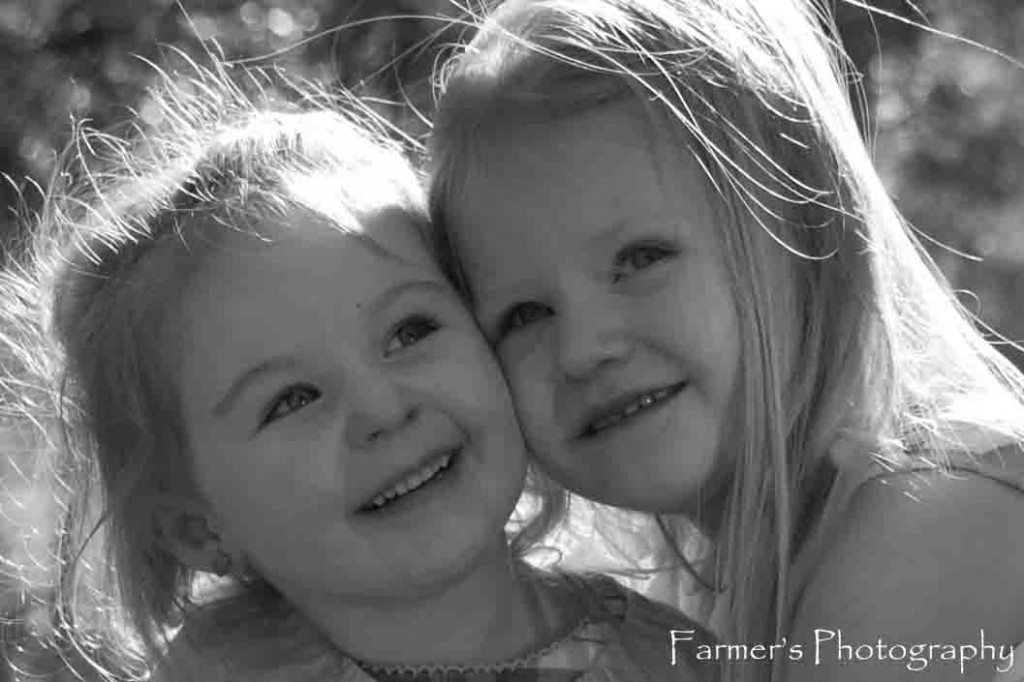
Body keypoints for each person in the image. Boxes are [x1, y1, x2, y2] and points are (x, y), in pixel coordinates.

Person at [0, 63, 713, 681]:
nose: (383, 406)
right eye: (292, 398)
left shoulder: (678, 661)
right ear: (198, 528)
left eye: (410, 331)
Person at [426, 1, 1024, 680]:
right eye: (525, 315)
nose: (583, 348)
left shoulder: (929, 525)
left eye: (641, 258)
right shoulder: (709, 594)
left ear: (802, 229)